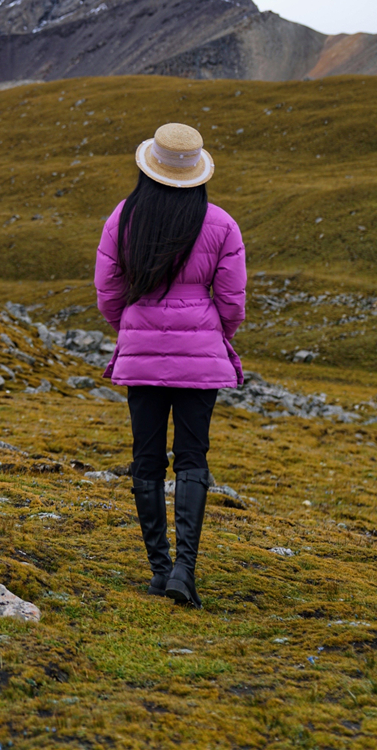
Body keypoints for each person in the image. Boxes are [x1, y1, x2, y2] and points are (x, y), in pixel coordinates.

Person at [94, 121, 246, 607]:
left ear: (150, 168)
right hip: (201, 354)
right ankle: (185, 570)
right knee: (193, 457)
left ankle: (159, 569)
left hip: (139, 352)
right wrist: (213, 335)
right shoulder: (221, 223)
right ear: (197, 173)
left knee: (146, 457)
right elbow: (232, 300)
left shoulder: (125, 216)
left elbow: (108, 291)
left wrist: (133, 325)